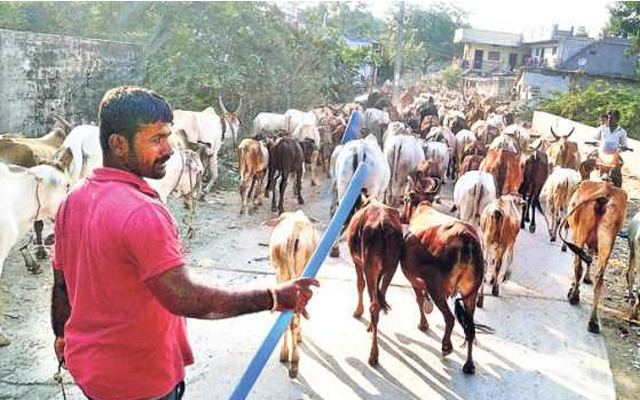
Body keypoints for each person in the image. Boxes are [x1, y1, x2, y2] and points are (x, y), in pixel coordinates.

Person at [50, 86, 319, 400]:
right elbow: (186, 298)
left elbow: (61, 285)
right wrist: (273, 296)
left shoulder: (74, 199)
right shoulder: (143, 213)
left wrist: (61, 334)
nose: (168, 150)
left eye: (167, 136)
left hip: (92, 375)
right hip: (141, 383)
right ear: (118, 145)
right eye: (155, 140)